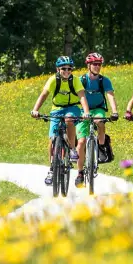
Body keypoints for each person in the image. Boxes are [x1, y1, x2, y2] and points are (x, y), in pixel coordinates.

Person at [31, 56, 90, 186]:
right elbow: (44, 95)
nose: (67, 71)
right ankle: (52, 168)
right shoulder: (53, 80)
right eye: (64, 68)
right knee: (52, 138)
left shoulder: (75, 80)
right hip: (57, 109)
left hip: (73, 108)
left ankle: (72, 149)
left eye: (69, 69)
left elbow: (82, 97)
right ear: (58, 69)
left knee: (69, 119)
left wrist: (86, 112)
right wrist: (35, 110)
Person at [74, 52, 119, 188]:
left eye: (99, 64)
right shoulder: (82, 80)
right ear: (88, 65)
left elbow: (110, 95)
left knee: (100, 121)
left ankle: (100, 146)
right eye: (95, 64)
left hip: (98, 108)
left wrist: (114, 111)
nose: (97, 67)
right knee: (81, 142)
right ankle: (80, 173)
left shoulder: (104, 80)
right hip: (83, 111)